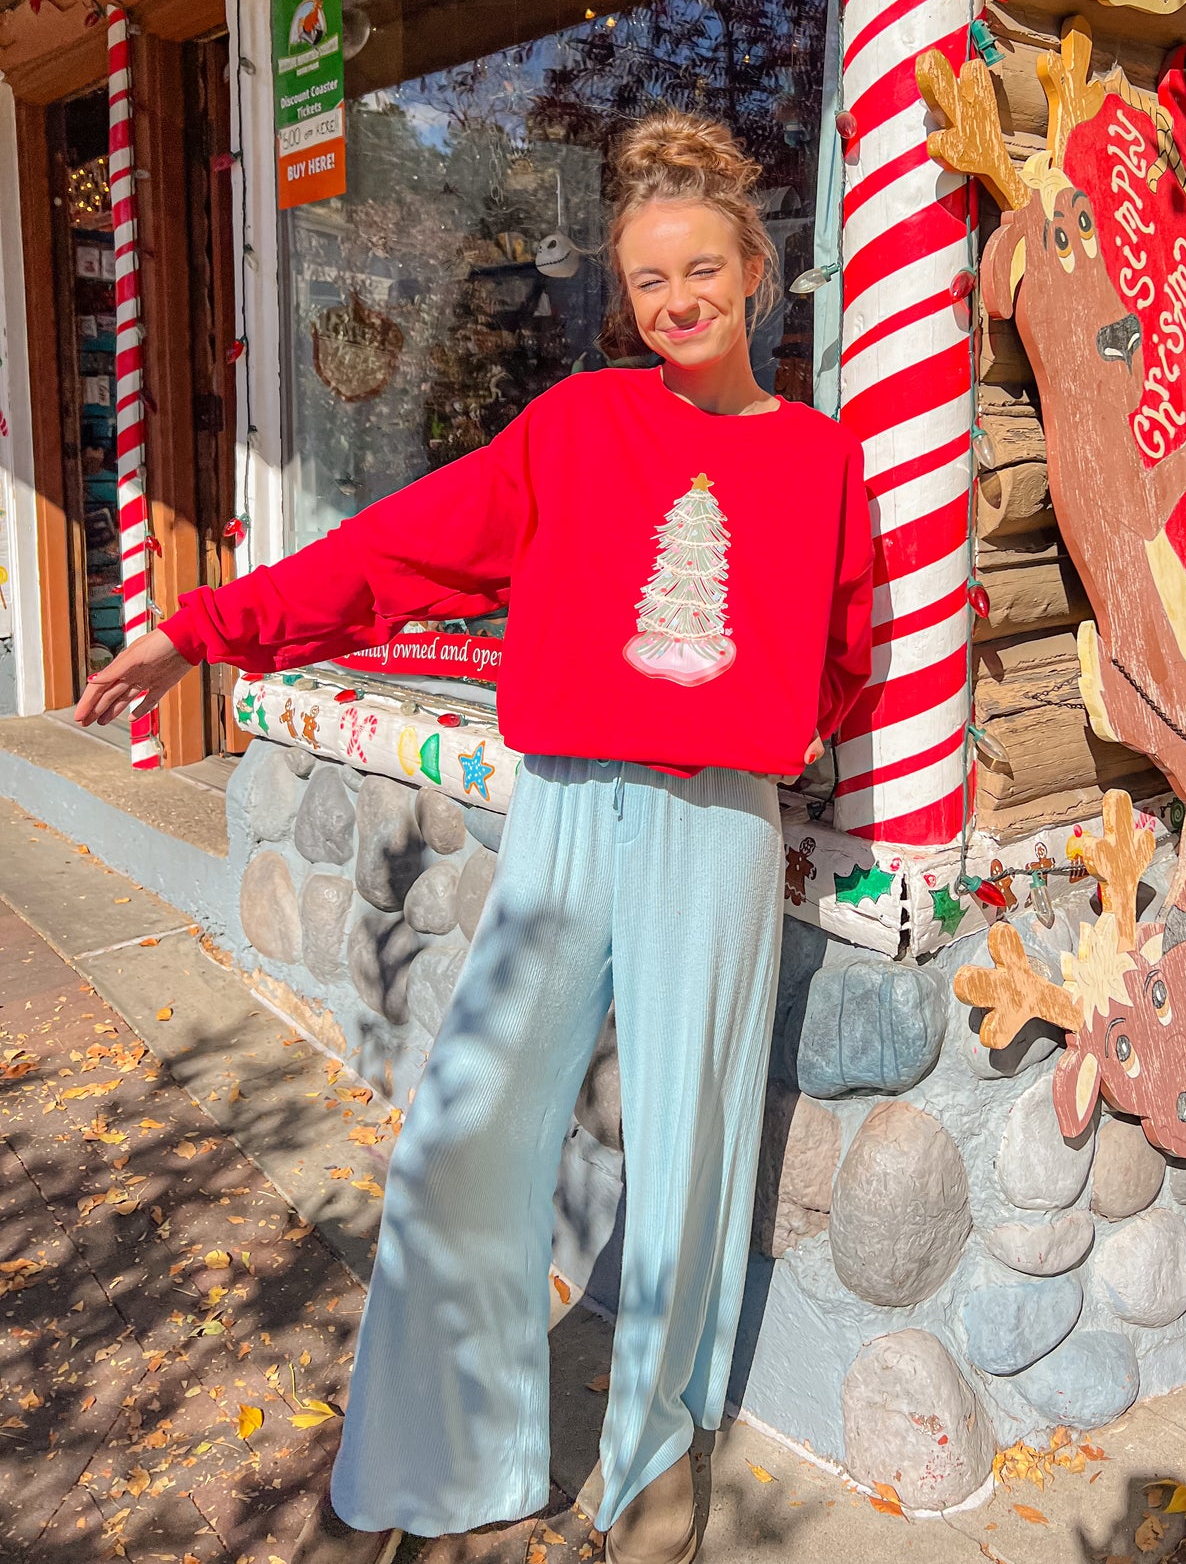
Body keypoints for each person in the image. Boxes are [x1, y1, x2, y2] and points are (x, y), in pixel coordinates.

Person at [76, 112, 874, 1564]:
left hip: (722, 834)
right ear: (625, 299)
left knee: (693, 1161)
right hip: (568, 806)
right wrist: (202, 630)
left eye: (703, 270)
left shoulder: (821, 460)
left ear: (757, 272)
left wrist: (781, 714)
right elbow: (395, 553)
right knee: (465, 1140)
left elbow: (846, 648)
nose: (677, 301)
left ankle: (652, 1461)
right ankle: (438, 1462)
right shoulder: (577, 428)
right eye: (647, 282)